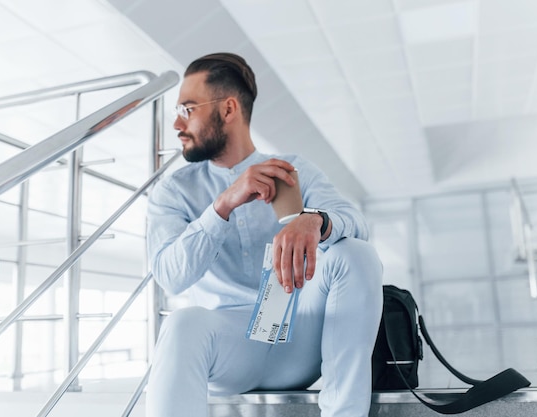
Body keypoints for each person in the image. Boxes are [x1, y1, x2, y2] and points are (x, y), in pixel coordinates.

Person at [145, 52, 383, 417]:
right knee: (182, 323)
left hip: (298, 339)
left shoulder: (291, 170)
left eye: (188, 109)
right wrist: (222, 205)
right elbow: (170, 276)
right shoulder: (174, 191)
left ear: (228, 110)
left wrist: (314, 220)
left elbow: (358, 223)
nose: (177, 123)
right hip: (229, 347)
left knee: (356, 253)